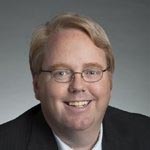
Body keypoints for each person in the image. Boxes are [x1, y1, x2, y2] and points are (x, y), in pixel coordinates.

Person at [0, 12, 150, 150]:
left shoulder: (145, 134)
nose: (78, 86)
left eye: (91, 72)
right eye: (61, 73)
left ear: (110, 80)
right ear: (37, 85)